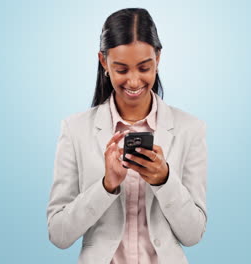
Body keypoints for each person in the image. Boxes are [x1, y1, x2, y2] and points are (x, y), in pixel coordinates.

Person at [46, 8, 207, 264]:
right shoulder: (74, 130)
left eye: (144, 68)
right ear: (103, 62)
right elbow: (59, 233)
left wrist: (164, 180)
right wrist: (106, 185)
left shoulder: (190, 129)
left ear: (158, 57)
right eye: (121, 69)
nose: (134, 81)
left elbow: (193, 233)